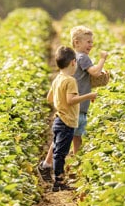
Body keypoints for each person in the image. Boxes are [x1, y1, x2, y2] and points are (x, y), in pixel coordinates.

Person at [38, 27, 108, 183]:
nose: (91, 45)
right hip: (75, 108)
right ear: (77, 43)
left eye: (92, 42)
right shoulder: (82, 58)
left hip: (74, 109)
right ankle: (64, 167)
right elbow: (95, 73)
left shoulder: (73, 62)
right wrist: (103, 59)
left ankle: (56, 165)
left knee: (70, 138)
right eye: (88, 42)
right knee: (68, 139)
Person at [42, 45, 98, 192]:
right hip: (67, 122)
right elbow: (71, 100)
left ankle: (53, 175)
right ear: (73, 62)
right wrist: (89, 96)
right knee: (61, 153)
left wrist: (59, 102)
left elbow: (49, 98)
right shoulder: (70, 81)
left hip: (59, 119)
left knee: (57, 149)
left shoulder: (57, 79)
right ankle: (58, 182)